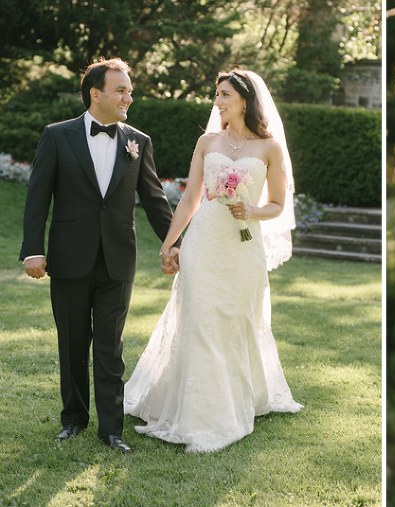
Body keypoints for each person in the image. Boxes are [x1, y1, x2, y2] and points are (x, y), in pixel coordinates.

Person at [123, 70, 302, 453]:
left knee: (236, 320)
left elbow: (278, 205)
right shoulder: (207, 142)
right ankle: (198, 411)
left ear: (245, 100)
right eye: (217, 94)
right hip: (203, 241)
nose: (218, 101)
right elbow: (190, 199)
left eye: (224, 94)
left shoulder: (269, 148)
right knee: (200, 318)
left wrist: (251, 210)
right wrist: (170, 244)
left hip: (243, 244)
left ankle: (244, 396)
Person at [19, 57, 181, 454]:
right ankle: (73, 419)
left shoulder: (137, 141)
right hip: (69, 257)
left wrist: (176, 242)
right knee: (72, 342)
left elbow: (155, 200)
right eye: (121, 90)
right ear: (96, 94)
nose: (129, 96)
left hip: (117, 258)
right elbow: (38, 197)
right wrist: (32, 251)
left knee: (110, 346)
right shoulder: (57, 136)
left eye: (129, 90)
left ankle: (112, 429)